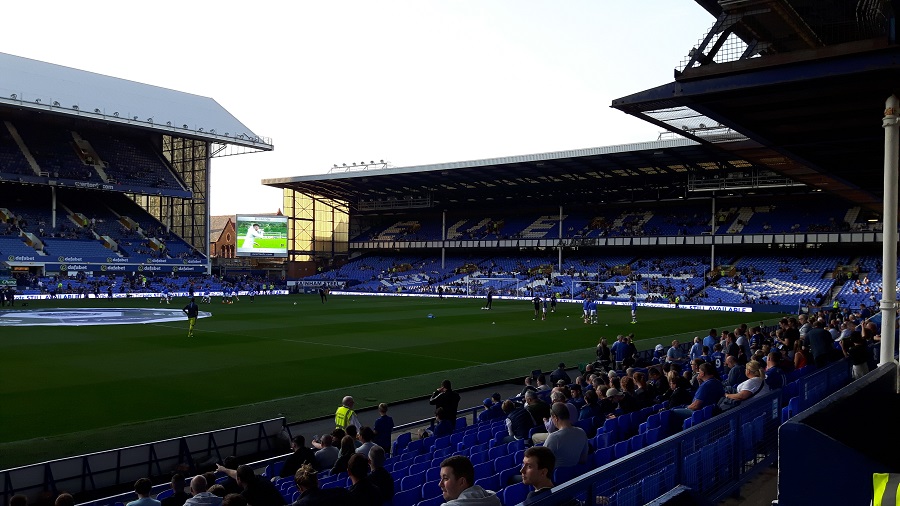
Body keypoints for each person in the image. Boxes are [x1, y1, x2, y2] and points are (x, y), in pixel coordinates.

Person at [544, 402, 589, 468]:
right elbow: (583, 459)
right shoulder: (581, 432)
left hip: (557, 477)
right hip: (577, 473)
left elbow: (542, 462)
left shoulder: (553, 438)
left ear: (555, 417)